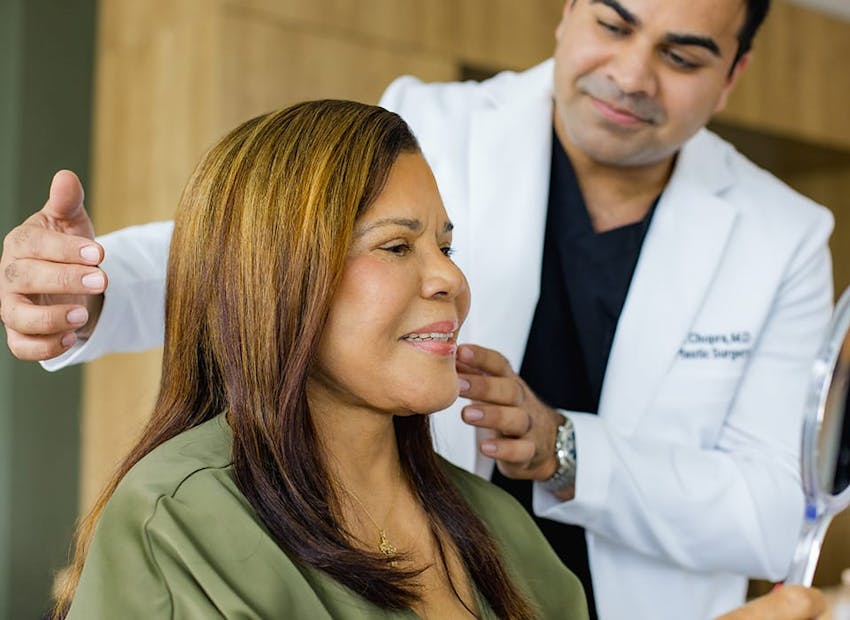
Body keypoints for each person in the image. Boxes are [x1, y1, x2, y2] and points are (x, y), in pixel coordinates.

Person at [0, 0, 836, 618]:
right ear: (570, 12)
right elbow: (267, 246)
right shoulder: (436, 124)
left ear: (732, 76)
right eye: (614, 25)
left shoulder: (784, 235)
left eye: (682, 57)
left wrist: (566, 449)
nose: (631, 74)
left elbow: (777, 510)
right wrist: (84, 287)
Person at [56, 100, 588, 619]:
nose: (452, 279)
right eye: (397, 247)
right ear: (279, 276)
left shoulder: (497, 525)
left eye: (445, 249)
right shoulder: (182, 519)